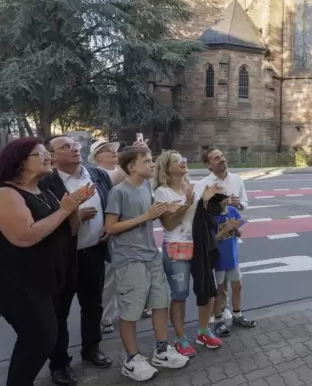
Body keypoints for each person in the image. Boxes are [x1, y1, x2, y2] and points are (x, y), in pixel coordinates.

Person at [0, 137, 95, 386]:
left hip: (45, 279)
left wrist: (73, 207)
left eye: (46, 153)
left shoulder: (44, 190)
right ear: (20, 162)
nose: (47, 157)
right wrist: (64, 210)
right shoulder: (4, 193)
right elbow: (24, 236)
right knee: (39, 339)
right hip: (18, 283)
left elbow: (69, 231)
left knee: (37, 339)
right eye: (39, 154)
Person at [104, 146, 189, 381]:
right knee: (130, 311)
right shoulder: (119, 192)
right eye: (147, 161)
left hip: (151, 255)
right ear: (132, 166)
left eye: (152, 161)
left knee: (160, 303)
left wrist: (170, 209)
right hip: (129, 260)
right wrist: (146, 216)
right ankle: (132, 359)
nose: (153, 165)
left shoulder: (146, 189)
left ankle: (161, 350)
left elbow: (152, 213)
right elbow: (110, 227)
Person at [42, 136, 114, 384]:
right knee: (59, 312)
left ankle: (91, 349)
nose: (73, 148)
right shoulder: (46, 182)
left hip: (93, 252)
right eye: (65, 147)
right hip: (63, 258)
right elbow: (42, 222)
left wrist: (109, 225)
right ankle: (59, 363)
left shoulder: (97, 175)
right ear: (52, 156)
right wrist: (75, 214)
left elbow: (110, 203)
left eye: (74, 145)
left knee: (93, 306)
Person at [153, 151, 222, 357]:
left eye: (183, 159)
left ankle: (203, 331)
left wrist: (214, 200)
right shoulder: (162, 193)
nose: (183, 162)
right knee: (180, 294)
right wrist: (188, 203)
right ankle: (181, 338)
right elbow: (168, 223)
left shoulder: (199, 186)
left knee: (207, 289)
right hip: (177, 248)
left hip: (201, 246)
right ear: (167, 168)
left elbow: (215, 212)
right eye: (177, 160)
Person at [195, 147, 248, 323]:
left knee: (233, 281)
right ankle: (216, 315)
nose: (221, 159)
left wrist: (237, 206)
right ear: (208, 164)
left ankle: (230, 312)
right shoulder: (203, 184)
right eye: (216, 158)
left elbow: (244, 203)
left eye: (222, 155)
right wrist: (221, 203)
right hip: (216, 238)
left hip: (231, 236)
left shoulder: (237, 179)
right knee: (219, 283)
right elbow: (201, 210)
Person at [88, 139, 121, 334]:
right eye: (108, 151)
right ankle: (105, 317)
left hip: (124, 231)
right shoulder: (101, 175)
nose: (113, 153)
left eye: (114, 151)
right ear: (98, 157)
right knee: (109, 277)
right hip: (109, 233)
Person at [210, 197, 257, 337]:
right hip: (217, 260)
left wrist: (236, 229)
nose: (228, 197)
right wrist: (224, 231)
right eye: (223, 196)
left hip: (232, 257)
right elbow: (211, 240)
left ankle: (237, 315)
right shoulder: (211, 216)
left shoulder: (232, 211)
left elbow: (240, 233)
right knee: (218, 290)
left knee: (237, 285)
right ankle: (218, 320)